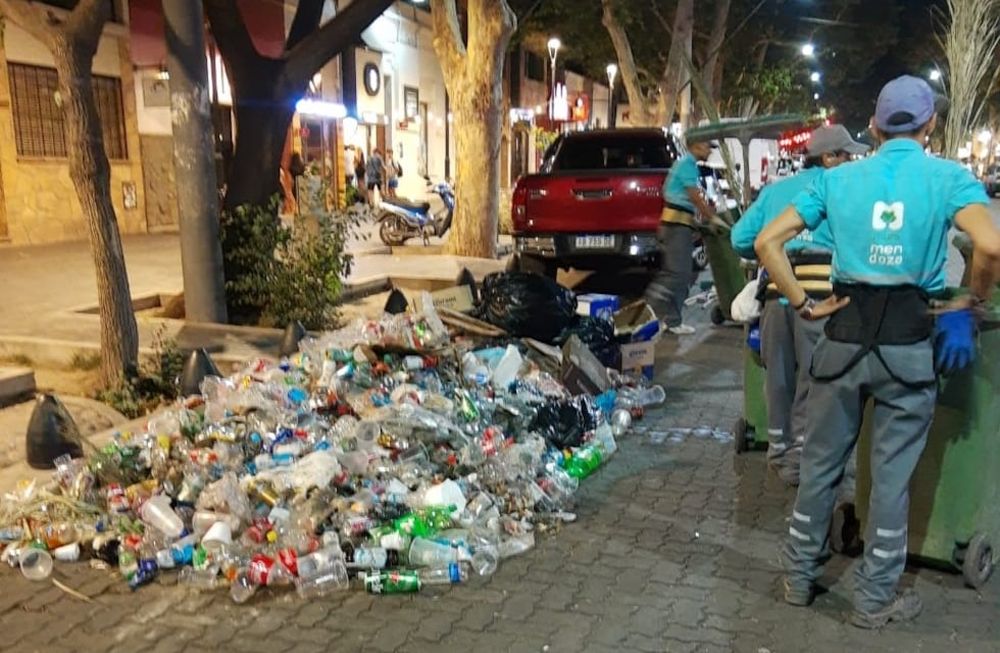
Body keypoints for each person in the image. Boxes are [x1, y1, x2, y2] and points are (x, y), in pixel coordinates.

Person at [755, 75, 1000, 628]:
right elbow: (989, 245)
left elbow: (769, 242)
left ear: (872, 126)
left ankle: (798, 578)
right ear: (931, 124)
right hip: (908, 346)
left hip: (841, 338)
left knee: (819, 466)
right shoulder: (949, 178)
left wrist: (800, 302)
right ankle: (874, 598)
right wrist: (968, 304)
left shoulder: (837, 180)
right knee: (891, 479)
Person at [731, 125, 869, 486]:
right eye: (846, 155)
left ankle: (779, 452)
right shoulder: (840, 190)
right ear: (828, 158)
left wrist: (771, 255)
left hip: (777, 296)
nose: (851, 161)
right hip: (822, 299)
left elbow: (740, 238)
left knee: (777, 376)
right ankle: (803, 458)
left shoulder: (775, 191)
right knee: (814, 379)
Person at [645, 136, 720, 335]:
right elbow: (694, 196)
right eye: (707, 145)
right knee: (676, 274)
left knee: (682, 274)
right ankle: (647, 308)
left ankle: (673, 320)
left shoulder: (687, 165)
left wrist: (698, 222)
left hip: (679, 224)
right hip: (675, 226)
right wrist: (711, 218)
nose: (710, 150)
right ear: (695, 145)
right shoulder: (687, 164)